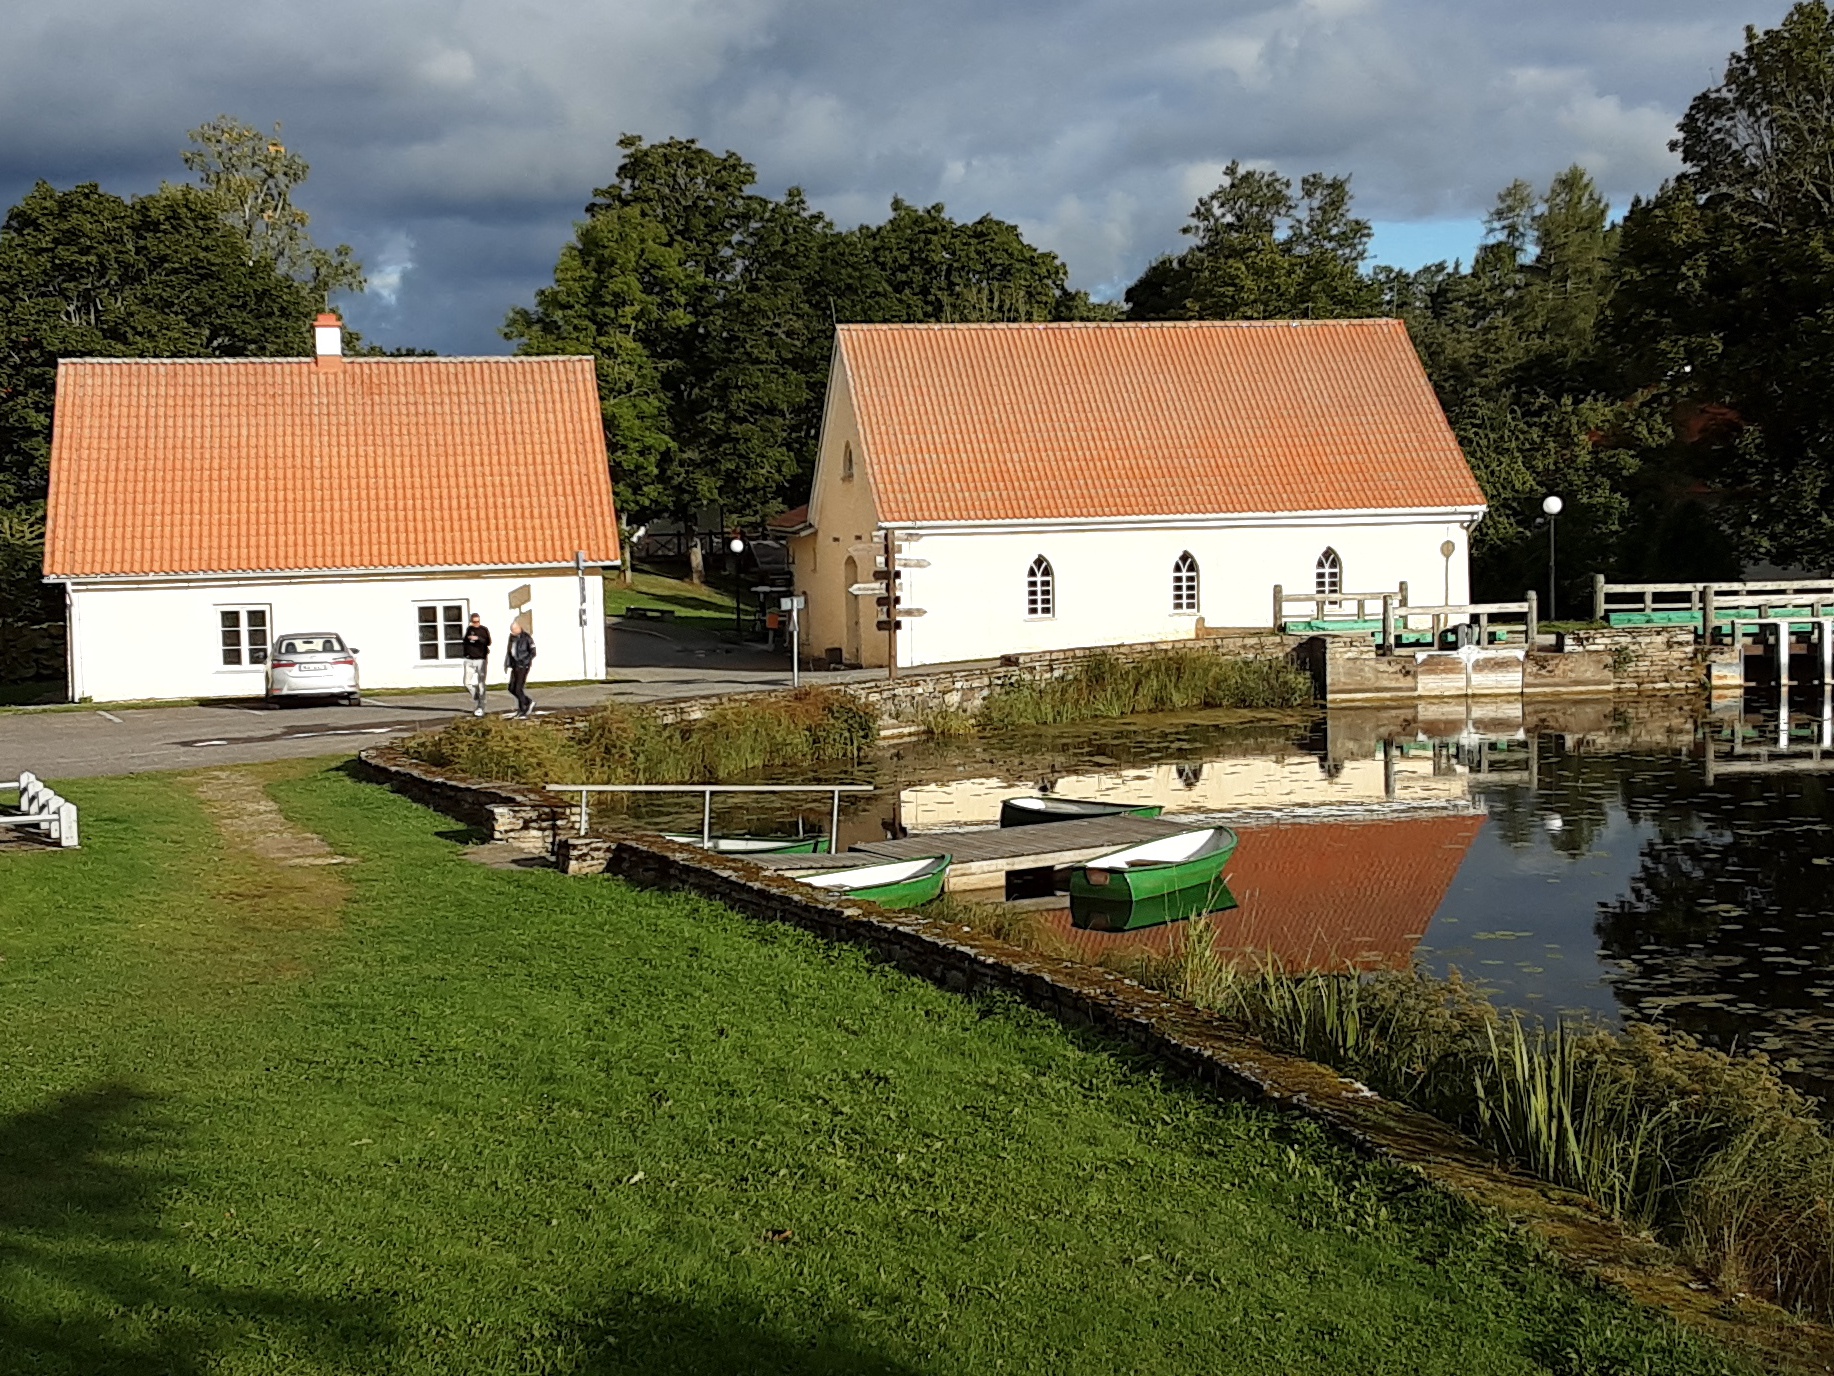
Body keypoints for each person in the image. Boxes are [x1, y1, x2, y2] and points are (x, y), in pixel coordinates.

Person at [460, 613, 492, 717]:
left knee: (481, 682)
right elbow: (465, 641)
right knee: (467, 682)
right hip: (469, 659)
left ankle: (481, 705)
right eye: (474, 622)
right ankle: (477, 697)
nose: (475, 624)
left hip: (480, 659)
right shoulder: (469, 629)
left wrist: (478, 638)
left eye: (477, 622)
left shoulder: (483, 630)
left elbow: (488, 642)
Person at [504, 618, 536, 719]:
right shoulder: (512, 638)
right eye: (511, 630)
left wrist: (525, 662)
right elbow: (510, 652)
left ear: (519, 628)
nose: (512, 632)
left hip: (523, 666)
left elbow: (533, 652)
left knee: (518, 688)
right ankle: (525, 704)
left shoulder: (526, 638)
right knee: (511, 688)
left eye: (514, 629)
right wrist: (507, 664)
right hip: (515, 665)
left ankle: (525, 706)